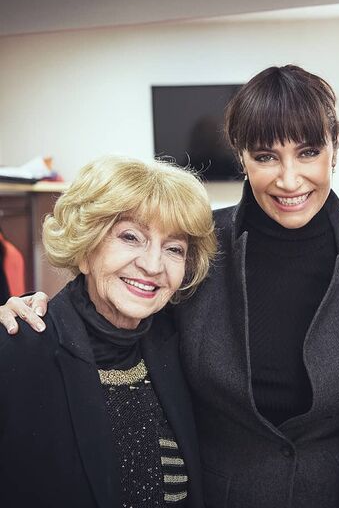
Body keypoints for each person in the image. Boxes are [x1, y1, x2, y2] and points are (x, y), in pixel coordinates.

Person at [0, 66, 339, 508]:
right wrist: (26, 313)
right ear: (241, 157)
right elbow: (109, 303)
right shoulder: (197, 245)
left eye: (308, 152)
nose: (289, 179)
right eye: (265, 156)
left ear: (335, 148)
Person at [0, 156, 217, 508]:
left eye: (174, 248)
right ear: (85, 248)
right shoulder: (17, 351)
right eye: (130, 237)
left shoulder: (181, 345)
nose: (153, 265)